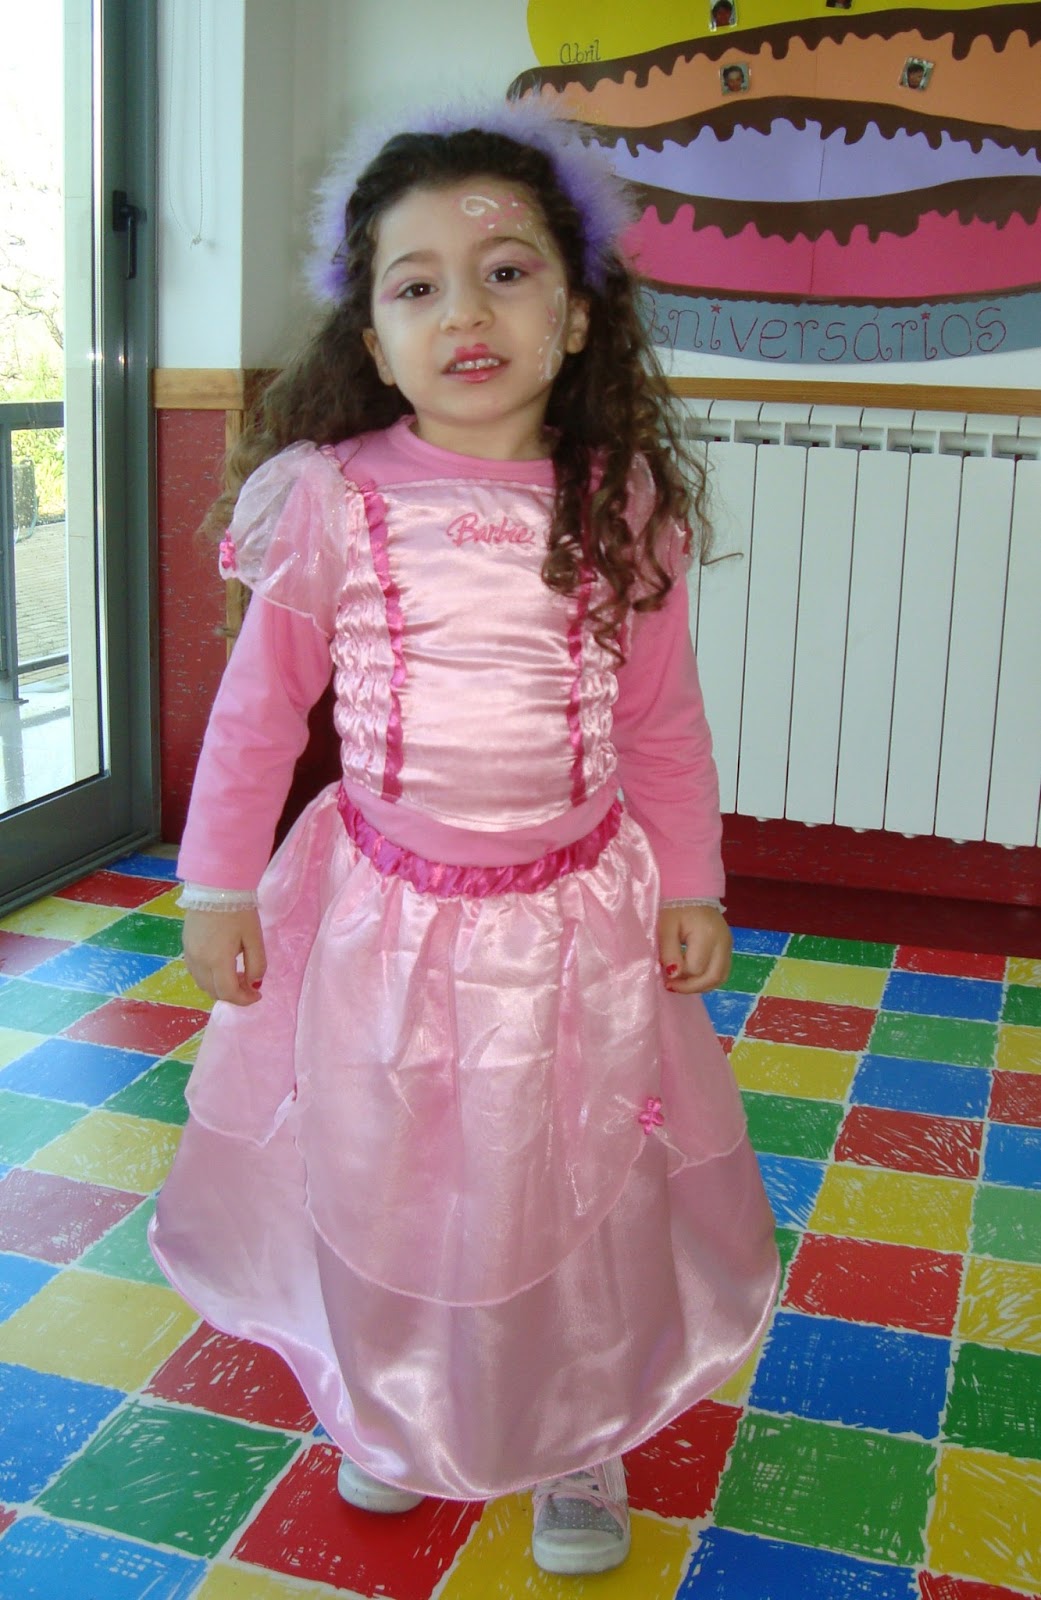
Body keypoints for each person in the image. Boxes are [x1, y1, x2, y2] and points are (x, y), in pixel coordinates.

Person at [149, 98, 778, 1579]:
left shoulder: (618, 503)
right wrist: (216, 889)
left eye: (505, 273)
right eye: (417, 285)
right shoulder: (331, 499)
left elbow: (662, 724)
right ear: (373, 341)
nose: (465, 313)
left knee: (570, 1179)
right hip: (382, 922)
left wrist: (691, 881)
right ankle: (396, 1401)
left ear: (577, 315)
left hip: (575, 930)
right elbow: (256, 714)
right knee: (397, 1171)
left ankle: (575, 1432)